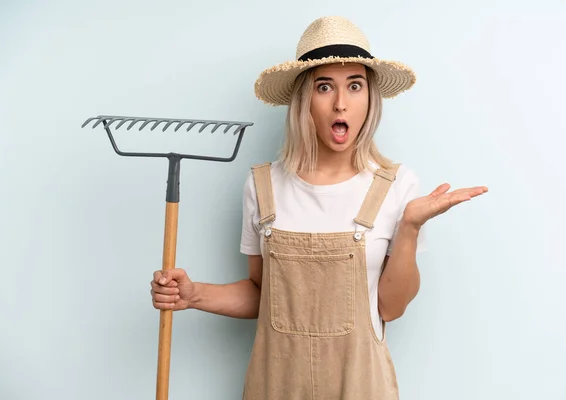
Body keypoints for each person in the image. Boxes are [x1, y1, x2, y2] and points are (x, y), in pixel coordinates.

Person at [150, 16, 487, 399]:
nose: (340, 103)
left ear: (370, 99)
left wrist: (409, 226)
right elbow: (266, 294)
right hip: (275, 386)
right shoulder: (264, 186)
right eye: (324, 87)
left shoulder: (396, 187)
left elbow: (390, 308)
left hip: (361, 386)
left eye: (354, 86)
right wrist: (193, 295)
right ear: (303, 101)